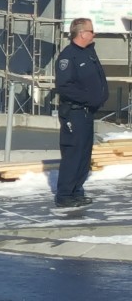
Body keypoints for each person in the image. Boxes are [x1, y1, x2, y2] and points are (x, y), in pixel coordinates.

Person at [54, 18, 108, 208]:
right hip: (74, 113)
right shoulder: (69, 56)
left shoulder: (89, 53)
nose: (94, 35)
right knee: (73, 153)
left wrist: (100, 97)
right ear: (82, 33)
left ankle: (77, 190)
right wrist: (88, 98)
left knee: (84, 154)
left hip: (87, 113)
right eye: (92, 31)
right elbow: (64, 86)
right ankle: (65, 194)